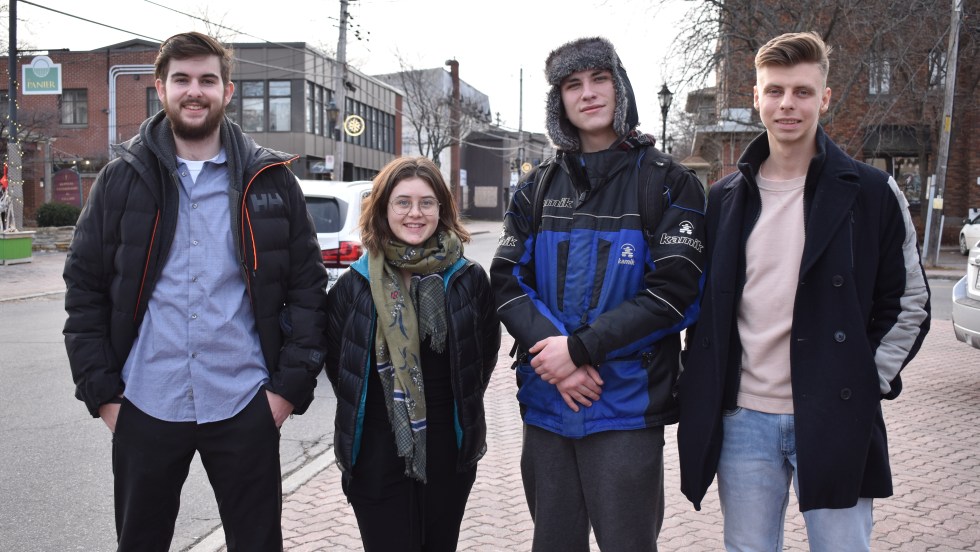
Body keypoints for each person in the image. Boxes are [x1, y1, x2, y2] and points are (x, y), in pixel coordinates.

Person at [62, 32, 328, 551]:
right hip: (145, 402)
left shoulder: (271, 181)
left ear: (227, 91)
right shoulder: (119, 180)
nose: (194, 91)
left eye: (207, 80)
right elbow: (84, 290)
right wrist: (104, 396)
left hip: (245, 402)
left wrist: (285, 393)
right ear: (160, 87)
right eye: (181, 79)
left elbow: (307, 289)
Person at [677, 31, 931, 551]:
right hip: (743, 418)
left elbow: (909, 303)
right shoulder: (724, 198)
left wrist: (866, 380)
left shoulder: (871, 193)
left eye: (802, 91)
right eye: (775, 91)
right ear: (756, 97)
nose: (787, 104)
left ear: (825, 98)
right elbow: (704, 309)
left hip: (837, 412)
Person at [490, 36, 707, 551]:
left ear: (620, 87)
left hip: (625, 407)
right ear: (559, 101)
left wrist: (580, 349)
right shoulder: (536, 188)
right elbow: (506, 280)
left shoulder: (669, 184)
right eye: (573, 85)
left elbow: (674, 294)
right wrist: (559, 361)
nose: (588, 93)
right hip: (547, 403)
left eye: (599, 79)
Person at [324, 156, 501, 551]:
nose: (415, 213)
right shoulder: (355, 285)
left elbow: (482, 358)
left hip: (448, 449)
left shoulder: (469, 279)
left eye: (426, 202)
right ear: (383, 208)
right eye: (402, 202)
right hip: (375, 450)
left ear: (442, 209)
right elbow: (341, 367)